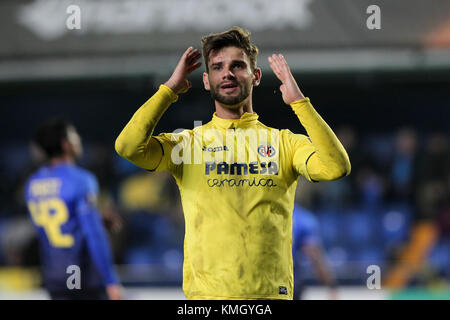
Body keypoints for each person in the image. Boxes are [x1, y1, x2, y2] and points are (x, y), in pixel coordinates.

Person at [115, 26, 351, 300]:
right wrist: (169, 89)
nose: (227, 73)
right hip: (207, 300)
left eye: (237, 66)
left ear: (256, 76)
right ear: (206, 80)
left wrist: (299, 102)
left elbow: (336, 167)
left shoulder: (285, 143)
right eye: (217, 67)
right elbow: (127, 147)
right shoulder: (187, 145)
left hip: (269, 298)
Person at [24, 120, 122, 300]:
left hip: (55, 277)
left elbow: (50, 227)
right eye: (75, 135)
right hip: (83, 277)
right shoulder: (81, 180)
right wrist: (110, 280)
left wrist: (95, 217)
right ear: (66, 144)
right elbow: (94, 235)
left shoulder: (32, 184)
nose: (79, 140)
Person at [292, 204, 337, 300]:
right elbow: (315, 256)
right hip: (287, 284)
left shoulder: (258, 212)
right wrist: (331, 287)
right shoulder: (304, 219)